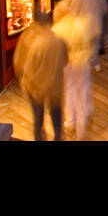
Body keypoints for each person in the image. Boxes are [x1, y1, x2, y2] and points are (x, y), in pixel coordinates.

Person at [53, 0, 105, 139]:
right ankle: (85, 116)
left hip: (68, 61)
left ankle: (71, 121)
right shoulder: (83, 23)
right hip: (83, 55)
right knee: (84, 88)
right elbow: (102, 9)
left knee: (70, 89)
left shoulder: (60, 28)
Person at [14, 12, 68, 141]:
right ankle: (58, 137)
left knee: (38, 116)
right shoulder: (59, 40)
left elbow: (20, 62)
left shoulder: (27, 37)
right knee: (56, 113)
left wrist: (23, 80)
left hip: (36, 85)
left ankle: (39, 138)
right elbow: (66, 60)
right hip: (55, 83)